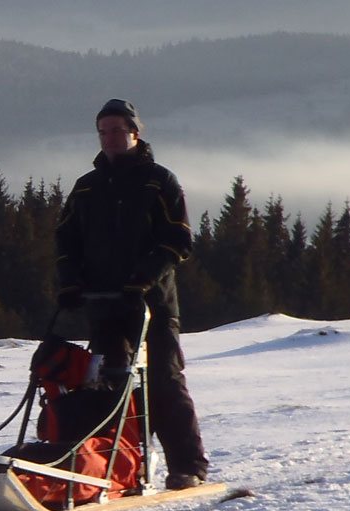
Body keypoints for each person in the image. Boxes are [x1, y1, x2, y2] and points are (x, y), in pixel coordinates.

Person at [54, 98, 209, 490]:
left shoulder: (159, 181)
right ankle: (119, 469)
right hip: (103, 305)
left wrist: (143, 279)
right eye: (103, 131)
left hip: (152, 303)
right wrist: (70, 281)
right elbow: (66, 239)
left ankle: (187, 467)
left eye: (117, 130)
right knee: (108, 385)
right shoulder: (86, 187)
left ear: (135, 133)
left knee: (164, 381)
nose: (110, 138)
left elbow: (178, 240)